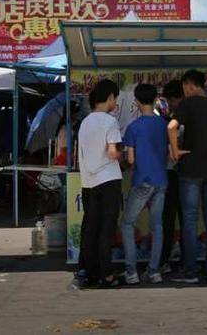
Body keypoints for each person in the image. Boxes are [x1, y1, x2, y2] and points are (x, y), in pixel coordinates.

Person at [168, 70, 207, 284]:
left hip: (190, 171)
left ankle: (191, 271)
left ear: (188, 85)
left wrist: (175, 151)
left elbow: (171, 126)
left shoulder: (187, 105)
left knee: (190, 220)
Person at [121, 84, 169, 285]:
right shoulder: (163, 124)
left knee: (127, 224)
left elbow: (130, 160)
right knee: (157, 226)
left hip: (142, 180)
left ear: (137, 101)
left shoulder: (133, 127)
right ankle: (154, 271)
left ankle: (131, 272)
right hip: (161, 180)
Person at [78, 79, 123, 288]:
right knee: (107, 229)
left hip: (88, 182)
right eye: (116, 99)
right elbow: (113, 152)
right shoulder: (110, 121)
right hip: (108, 181)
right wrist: (125, 154)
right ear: (111, 98)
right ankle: (107, 274)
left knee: (91, 229)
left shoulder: (85, 122)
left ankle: (90, 273)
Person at [159, 79, 185, 275]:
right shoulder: (175, 118)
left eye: (171, 100)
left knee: (168, 219)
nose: (170, 103)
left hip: (172, 173)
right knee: (184, 219)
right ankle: (184, 261)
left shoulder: (172, 121)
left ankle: (164, 260)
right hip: (184, 173)